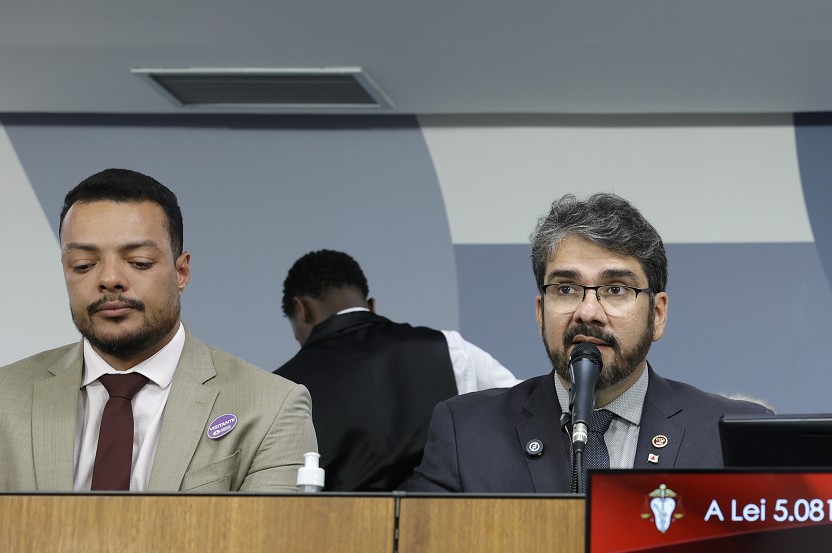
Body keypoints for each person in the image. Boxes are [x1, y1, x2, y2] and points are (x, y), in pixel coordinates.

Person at [406, 192, 770, 493]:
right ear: (540, 312)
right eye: (566, 289)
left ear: (657, 314)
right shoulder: (466, 432)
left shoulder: (730, 434)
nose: (588, 312)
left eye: (616, 289)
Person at [0, 168, 316, 492]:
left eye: (139, 262)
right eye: (83, 265)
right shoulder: (5, 398)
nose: (109, 279)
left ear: (181, 272)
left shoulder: (271, 408)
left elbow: (268, 528)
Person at [274, 250, 517, 491]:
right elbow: (526, 411)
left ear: (302, 308)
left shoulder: (282, 387)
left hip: (337, 517)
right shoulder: (450, 347)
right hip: (443, 515)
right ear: (372, 305)